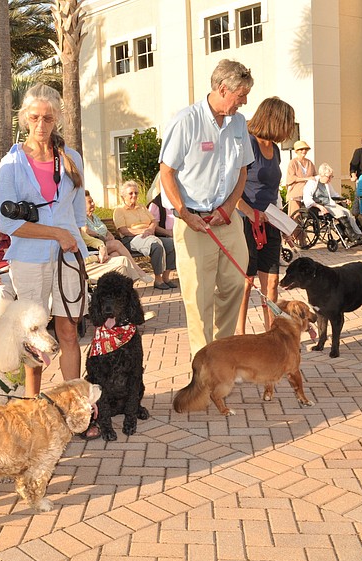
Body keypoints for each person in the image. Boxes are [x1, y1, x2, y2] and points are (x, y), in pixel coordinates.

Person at [0, 83, 87, 416]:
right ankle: (32, 412)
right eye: (34, 117)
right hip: (29, 260)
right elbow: (7, 224)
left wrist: (81, 240)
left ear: (58, 118)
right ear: (24, 119)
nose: (41, 124)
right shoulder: (11, 163)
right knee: (33, 336)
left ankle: (75, 408)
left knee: (68, 331)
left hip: (68, 260)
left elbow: (78, 218)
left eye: (48, 117)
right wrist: (56, 233)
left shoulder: (72, 159)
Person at [158, 58, 255, 356]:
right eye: (241, 96)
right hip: (193, 222)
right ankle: (204, 364)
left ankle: (221, 355)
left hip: (227, 219)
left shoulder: (238, 122)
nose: (245, 102)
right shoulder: (186, 120)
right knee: (199, 298)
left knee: (235, 286)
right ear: (223, 89)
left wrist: (228, 208)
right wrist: (185, 214)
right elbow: (167, 172)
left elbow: (242, 171)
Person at [235, 97, 296, 335]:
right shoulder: (247, 143)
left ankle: (273, 335)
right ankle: (239, 335)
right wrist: (250, 213)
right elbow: (231, 188)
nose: (288, 130)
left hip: (269, 222)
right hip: (245, 221)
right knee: (246, 284)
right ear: (274, 120)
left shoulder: (276, 150)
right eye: (286, 123)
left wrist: (285, 224)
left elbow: (273, 194)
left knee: (271, 283)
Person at [113, 180, 176, 290]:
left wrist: (150, 229)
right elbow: (123, 230)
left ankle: (166, 277)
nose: (134, 195)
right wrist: (143, 231)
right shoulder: (119, 210)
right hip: (131, 239)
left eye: (136, 193)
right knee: (156, 245)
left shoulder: (141, 207)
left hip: (148, 235)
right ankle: (158, 279)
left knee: (172, 244)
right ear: (123, 196)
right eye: (131, 193)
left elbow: (154, 221)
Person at [83, 191, 152, 283]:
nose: (93, 204)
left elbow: (105, 229)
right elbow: (86, 231)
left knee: (116, 254)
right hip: (93, 247)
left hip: (104, 244)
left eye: (92, 201)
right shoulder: (81, 218)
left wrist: (109, 234)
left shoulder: (94, 217)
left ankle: (127, 285)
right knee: (117, 244)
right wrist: (102, 237)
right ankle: (138, 271)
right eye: (89, 202)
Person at [303, 163, 362, 242]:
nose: (330, 179)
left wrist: (344, 199)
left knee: (348, 212)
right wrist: (319, 206)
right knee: (340, 212)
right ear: (322, 175)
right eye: (328, 177)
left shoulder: (327, 184)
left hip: (329, 204)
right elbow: (307, 199)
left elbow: (334, 194)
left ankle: (359, 234)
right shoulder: (312, 182)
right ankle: (352, 235)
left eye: (331, 177)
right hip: (318, 205)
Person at [285, 140, 316, 217]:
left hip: (308, 190)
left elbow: (314, 176)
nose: (304, 151)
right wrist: (307, 179)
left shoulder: (310, 163)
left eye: (305, 149)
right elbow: (292, 178)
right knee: (295, 214)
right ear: (297, 151)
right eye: (301, 149)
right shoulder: (293, 163)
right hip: (296, 190)